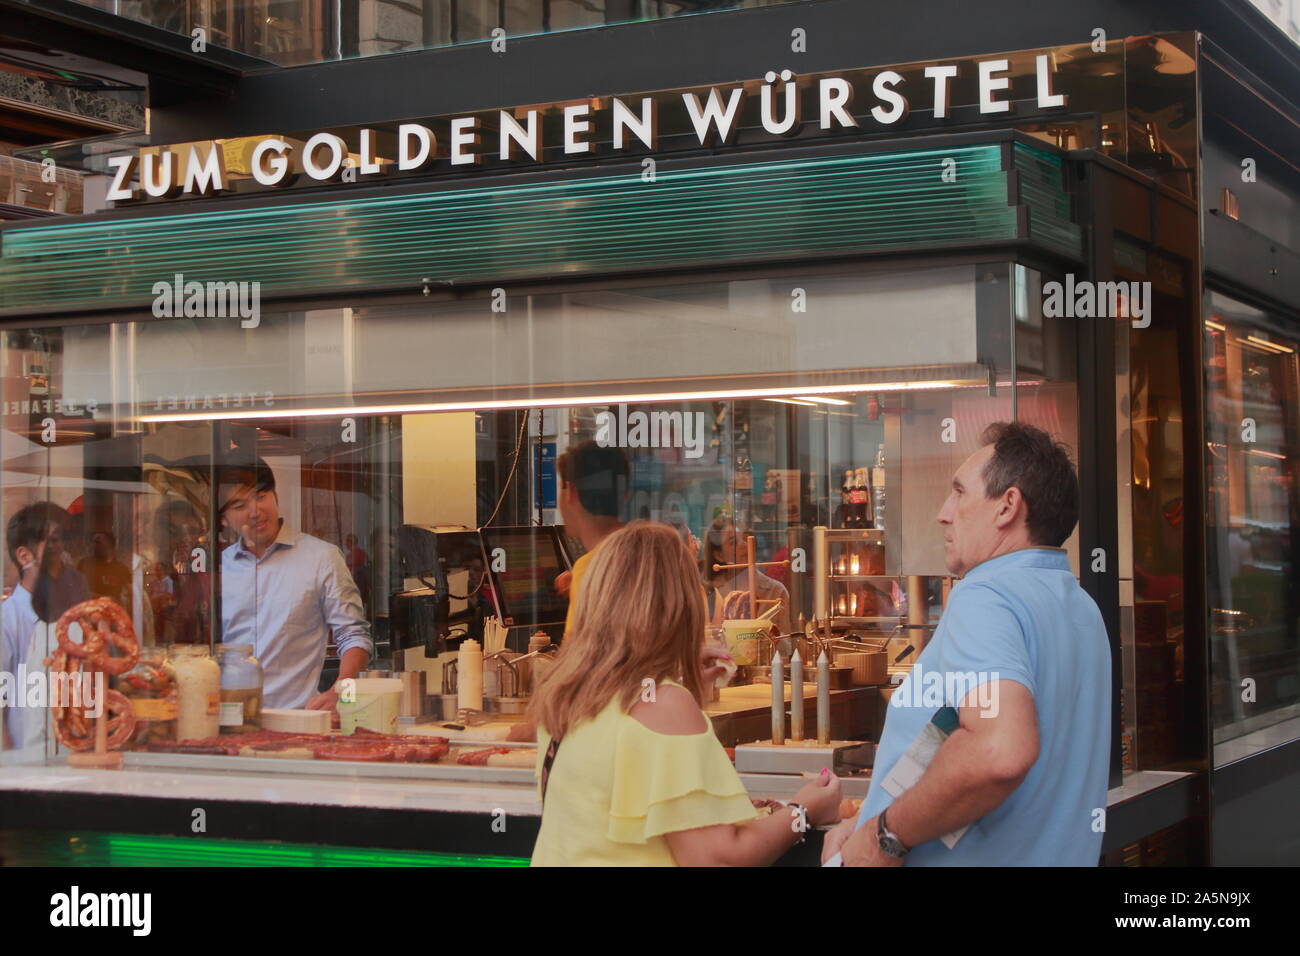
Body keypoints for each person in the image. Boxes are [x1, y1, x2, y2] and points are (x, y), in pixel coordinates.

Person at [821, 421, 1110, 867]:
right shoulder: (1080, 607)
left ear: (1007, 507)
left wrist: (884, 837)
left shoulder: (986, 596)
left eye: (959, 493)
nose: (943, 511)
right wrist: (869, 821)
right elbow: (946, 739)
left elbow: (998, 751)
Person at [529, 522, 842, 865]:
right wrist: (804, 810)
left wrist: (683, 685)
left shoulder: (565, 694)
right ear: (680, 605)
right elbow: (718, 857)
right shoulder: (664, 705)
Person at [217, 458, 372, 711]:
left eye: (261, 496)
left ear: (276, 496)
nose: (255, 511)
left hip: (298, 719)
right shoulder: (220, 567)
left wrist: (344, 696)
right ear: (224, 519)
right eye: (239, 504)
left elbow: (356, 637)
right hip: (230, 720)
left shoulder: (322, 557)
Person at [1, 502, 87, 754]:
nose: (63, 554)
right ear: (24, 556)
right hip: (29, 757)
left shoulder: (77, 614)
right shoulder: (8, 619)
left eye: (65, 543)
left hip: (78, 754)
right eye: (54, 543)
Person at [552, 439, 628, 634]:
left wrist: (585, 584)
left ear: (571, 493)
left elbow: (579, 660)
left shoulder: (590, 569)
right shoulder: (644, 557)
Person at [703, 516, 793, 635]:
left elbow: (785, 646)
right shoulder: (710, 593)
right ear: (719, 555)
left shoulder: (776, 591)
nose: (744, 545)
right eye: (733, 542)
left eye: (746, 538)